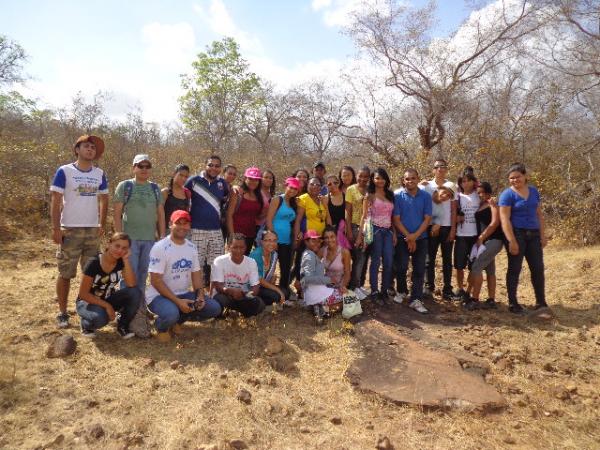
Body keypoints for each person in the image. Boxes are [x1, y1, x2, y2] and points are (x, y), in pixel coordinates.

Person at [50, 134, 109, 328]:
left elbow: (104, 199)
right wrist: (56, 228)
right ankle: (62, 312)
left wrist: (101, 224)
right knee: (65, 273)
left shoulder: (99, 173)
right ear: (77, 149)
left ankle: (87, 310)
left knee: (91, 274)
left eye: (93, 147)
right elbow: (56, 200)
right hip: (70, 230)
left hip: (92, 231)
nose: (90, 149)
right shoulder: (64, 171)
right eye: (86, 146)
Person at [146, 210, 222, 342]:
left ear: (189, 226)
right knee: (171, 313)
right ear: (170, 224)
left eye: (185, 224)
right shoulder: (160, 247)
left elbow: (196, 275)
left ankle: (177, 321)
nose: (182, 227)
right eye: (178, 223)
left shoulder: (191, 247)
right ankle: (161, 326)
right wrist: (178, 302)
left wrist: (200, 296)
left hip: (183, 294)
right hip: (158, 297)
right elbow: (155, 281)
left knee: (214, 308)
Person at [499, 163, 549, 315]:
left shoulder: (533, 191)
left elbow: (539, 214)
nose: (515, 180)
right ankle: (513, 303)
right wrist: (511, 240)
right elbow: (504, 219)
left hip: (534, 235)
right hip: (517, 234)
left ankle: (541, 302)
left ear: (525, 176)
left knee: (538, 269)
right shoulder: (507, 195)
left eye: (517, 177)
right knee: (515, 269)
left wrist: (543, 234)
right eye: (511, 178)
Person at [76, 232, 141, 338]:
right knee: (101, 319)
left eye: (124, 248)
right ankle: (86, 324)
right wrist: (108, 306)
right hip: (87, 301)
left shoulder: (121, 262)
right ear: (109, 244)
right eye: (117, 246)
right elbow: (83, 294)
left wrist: (125, 260)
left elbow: (131, 284)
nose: (120, 250)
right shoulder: (94, 263)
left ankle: (122, 326)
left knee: (135, 292)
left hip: (107, 298)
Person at [392, 169, 433, 314]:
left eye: (413, 178)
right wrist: (408, 236)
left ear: (418, 179)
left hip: (421, 239)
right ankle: (402, 291)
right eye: (407, 179)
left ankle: (416, 299)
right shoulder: (398, 197)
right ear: (403, 180)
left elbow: (427, 219)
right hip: (403, 238)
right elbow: (396, 219)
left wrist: (414, 236)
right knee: (401, 267)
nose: (410, 181)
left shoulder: (426, 197)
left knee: (419, 269)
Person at [185, 155, 229, 284]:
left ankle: (214, 294)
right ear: (205, 165)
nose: (213, 168)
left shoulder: (223, 184)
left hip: (216, 230)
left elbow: (226, 200)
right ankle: (197, 294)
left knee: (217, 263)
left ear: (220, 168)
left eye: (217, 166)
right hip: (196, 229)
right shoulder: (193, 181)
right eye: (210, 165)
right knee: (196, 265)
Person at [420, 158, 457, 300]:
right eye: (437, 167)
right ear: (433, 170)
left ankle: (447, 289)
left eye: (443, 166)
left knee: (447, 259)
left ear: (446, 169)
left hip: (447, 227)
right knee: (430, 258)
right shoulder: (426, 185)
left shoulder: (451, 185)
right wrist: (418, 184)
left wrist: (453, 229)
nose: (440, 169)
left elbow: (453, 209)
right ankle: (429, 287)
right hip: (430, 226)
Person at [359, 168, 396, 305]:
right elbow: (364, 215)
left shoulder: (390, 194)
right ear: (373, 180)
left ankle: (384, 291)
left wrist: (395, 234)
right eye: (376, 178)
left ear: (386, 179)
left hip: (388, 231)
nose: (379, 181)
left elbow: (392, 217)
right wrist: (361, 235)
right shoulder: (370, 195)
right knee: (375, 261)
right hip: (375, 231)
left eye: (382, 178)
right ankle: (374, 291)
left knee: (388, 261)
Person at [465, 182, 505, 310]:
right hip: (484, 242)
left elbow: (494, 223)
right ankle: (491, 300)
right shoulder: (481, 204)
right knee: (490, 270)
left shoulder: (492, 203)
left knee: (476, 267)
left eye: (483, 192)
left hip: (493, 240)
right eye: (479, 192)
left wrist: (481, 237)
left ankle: (475, 299)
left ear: (488, 192)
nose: (481, 194)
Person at [292, 177, 331, 296]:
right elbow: (298, 219)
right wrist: (297, 236)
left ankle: (314, 289)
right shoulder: (303, 199)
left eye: (318, 184)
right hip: (307, 238)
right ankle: (301, 290)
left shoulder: (322, 200)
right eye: (312, 184)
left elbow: (326, 219)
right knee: (302, 263)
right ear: (307, 186)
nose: (315, 186)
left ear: (321, 187)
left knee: (317, 265)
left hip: (320, 240)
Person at [211, 233, 265, 317]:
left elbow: (255, 287)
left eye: (241, 247)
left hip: (243, 296)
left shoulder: (251, 262)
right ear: (228, 247)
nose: (238, 251)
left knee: (259, 303)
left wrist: (246, 294)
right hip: (225, 295)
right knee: (221, 301)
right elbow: (218, 286)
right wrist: (230, 291)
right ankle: (232, 312)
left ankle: (235, 312)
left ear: (246, 248)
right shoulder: (219, 261)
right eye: (235, 247)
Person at [265, 177, 299, 299]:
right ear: (286, 186)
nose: (293, 190)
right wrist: (272, 239)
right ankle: (264, 292)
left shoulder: (294, 203)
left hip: (286, 241)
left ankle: (284, 293)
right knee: (269, 268)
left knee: (285, 268)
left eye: (295, 189)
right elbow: (269, 219)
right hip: (274, 241)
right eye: (291, 187)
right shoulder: (277, 199)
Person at [300, 230, 343, 324]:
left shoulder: (310, 254)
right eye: (313, 240)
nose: (317, 243)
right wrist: (329, 280)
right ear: (306, 242)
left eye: (318, 240)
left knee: (342, 294)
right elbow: (308, 278)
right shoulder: (309, 255)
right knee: (349, 298)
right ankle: (323, 310)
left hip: (314, 292)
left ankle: (317, 306)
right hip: (316, 293)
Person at [453, 172, 480, 301]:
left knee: (473, 266)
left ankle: (469, 291)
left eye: (469, 180)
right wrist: (456, 219)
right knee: (459, 265)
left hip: (475, 237)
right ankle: (460, 289)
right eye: (463, 181)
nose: (466, 183)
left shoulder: (478, 195)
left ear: (473, 182)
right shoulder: (457, 197)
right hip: (461, 235)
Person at [345, 166, 370, 296]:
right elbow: (348, 211)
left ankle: (359, 284)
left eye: (366, 176)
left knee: (363, 257)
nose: (363, 179)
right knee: (358, 257)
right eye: (360, 176)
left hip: (368, 227)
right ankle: (353, 287)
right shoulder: (351, 189)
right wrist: (348, 230)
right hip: (354, 227)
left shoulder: (371, 190)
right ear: (356, 176)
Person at [226, 167, 264, 253]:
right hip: (236, 234)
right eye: (250, 179)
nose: (253, 182)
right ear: (245, 179)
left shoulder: (258, 196)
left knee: (244, 261)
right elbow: (229, 215)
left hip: (250, 235)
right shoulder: (237, 193)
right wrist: (232, 235)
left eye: (256, 180)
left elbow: (257, 215)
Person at [249, 229, 286, 307]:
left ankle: (266, 301)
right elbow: (259, 280)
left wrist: (272, 280)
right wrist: (278, 290)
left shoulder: (274, 254)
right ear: (262, 242)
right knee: (277, 295)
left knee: (286, 292)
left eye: (274, 240)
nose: (272, 243)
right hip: (253, 287)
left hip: (263, 286)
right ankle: (254, 301)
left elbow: (269, 275)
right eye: (268, 240)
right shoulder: (256, 255)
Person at [322, 226, 351, 294]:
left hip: (340, 286)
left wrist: (342, 286)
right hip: (326, 285)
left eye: (332, 237)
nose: (329, 240)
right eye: (326, 237)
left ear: (336, 237)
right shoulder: (323, 250)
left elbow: (347, 273)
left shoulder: (344, 252)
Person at [162, 164, 191, 233]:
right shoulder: (165, 192)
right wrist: (160, 233)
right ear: (174, 174)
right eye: (181, 175)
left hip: (183, 232)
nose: (183, 178)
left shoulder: (187, 193)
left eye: (186, 177)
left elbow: (187, 213)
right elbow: (159, 215)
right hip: (168, 231)